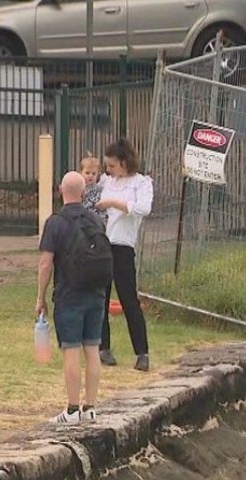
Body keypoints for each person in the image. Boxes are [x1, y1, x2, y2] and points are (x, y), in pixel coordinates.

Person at [36, 171, 107, 424]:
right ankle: (90, 408)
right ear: (84, 193)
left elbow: (46, 264)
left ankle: (72, 410)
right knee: (92, 348)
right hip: (97, 293)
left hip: (69, 295)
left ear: (60, 190)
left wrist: (40, 297)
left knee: (72, 351)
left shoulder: (55, 223)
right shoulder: (96, 221)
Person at [95, 138, 153, 372]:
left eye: (112, 165)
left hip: (123, 246)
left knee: (129, 299)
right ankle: (103, 347)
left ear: (124, 162)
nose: (108, 170)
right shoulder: (106, 180)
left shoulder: (141, 183)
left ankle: (142, 352)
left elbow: (143, 208)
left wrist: (114, 203)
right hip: (102, 244)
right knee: (101, 297)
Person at [79, 153, 107, 220]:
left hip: (95, 220)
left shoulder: (99, 190)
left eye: (94, 173)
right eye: (87, 173)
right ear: (81, 172)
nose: (90, 176)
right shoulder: (77, 188)